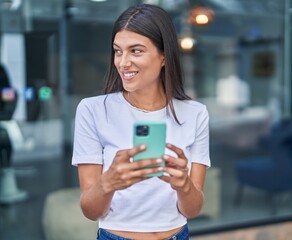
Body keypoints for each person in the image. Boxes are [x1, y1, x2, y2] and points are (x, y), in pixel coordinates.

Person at [72, 3, 210, 240]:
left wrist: (183, 185)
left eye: (136, 51)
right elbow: (90, 210)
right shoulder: (92, 110)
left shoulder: (195, 114)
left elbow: (193, 209)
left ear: (164, 56)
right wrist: (109, 182)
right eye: (118, 51)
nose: (123, 63)